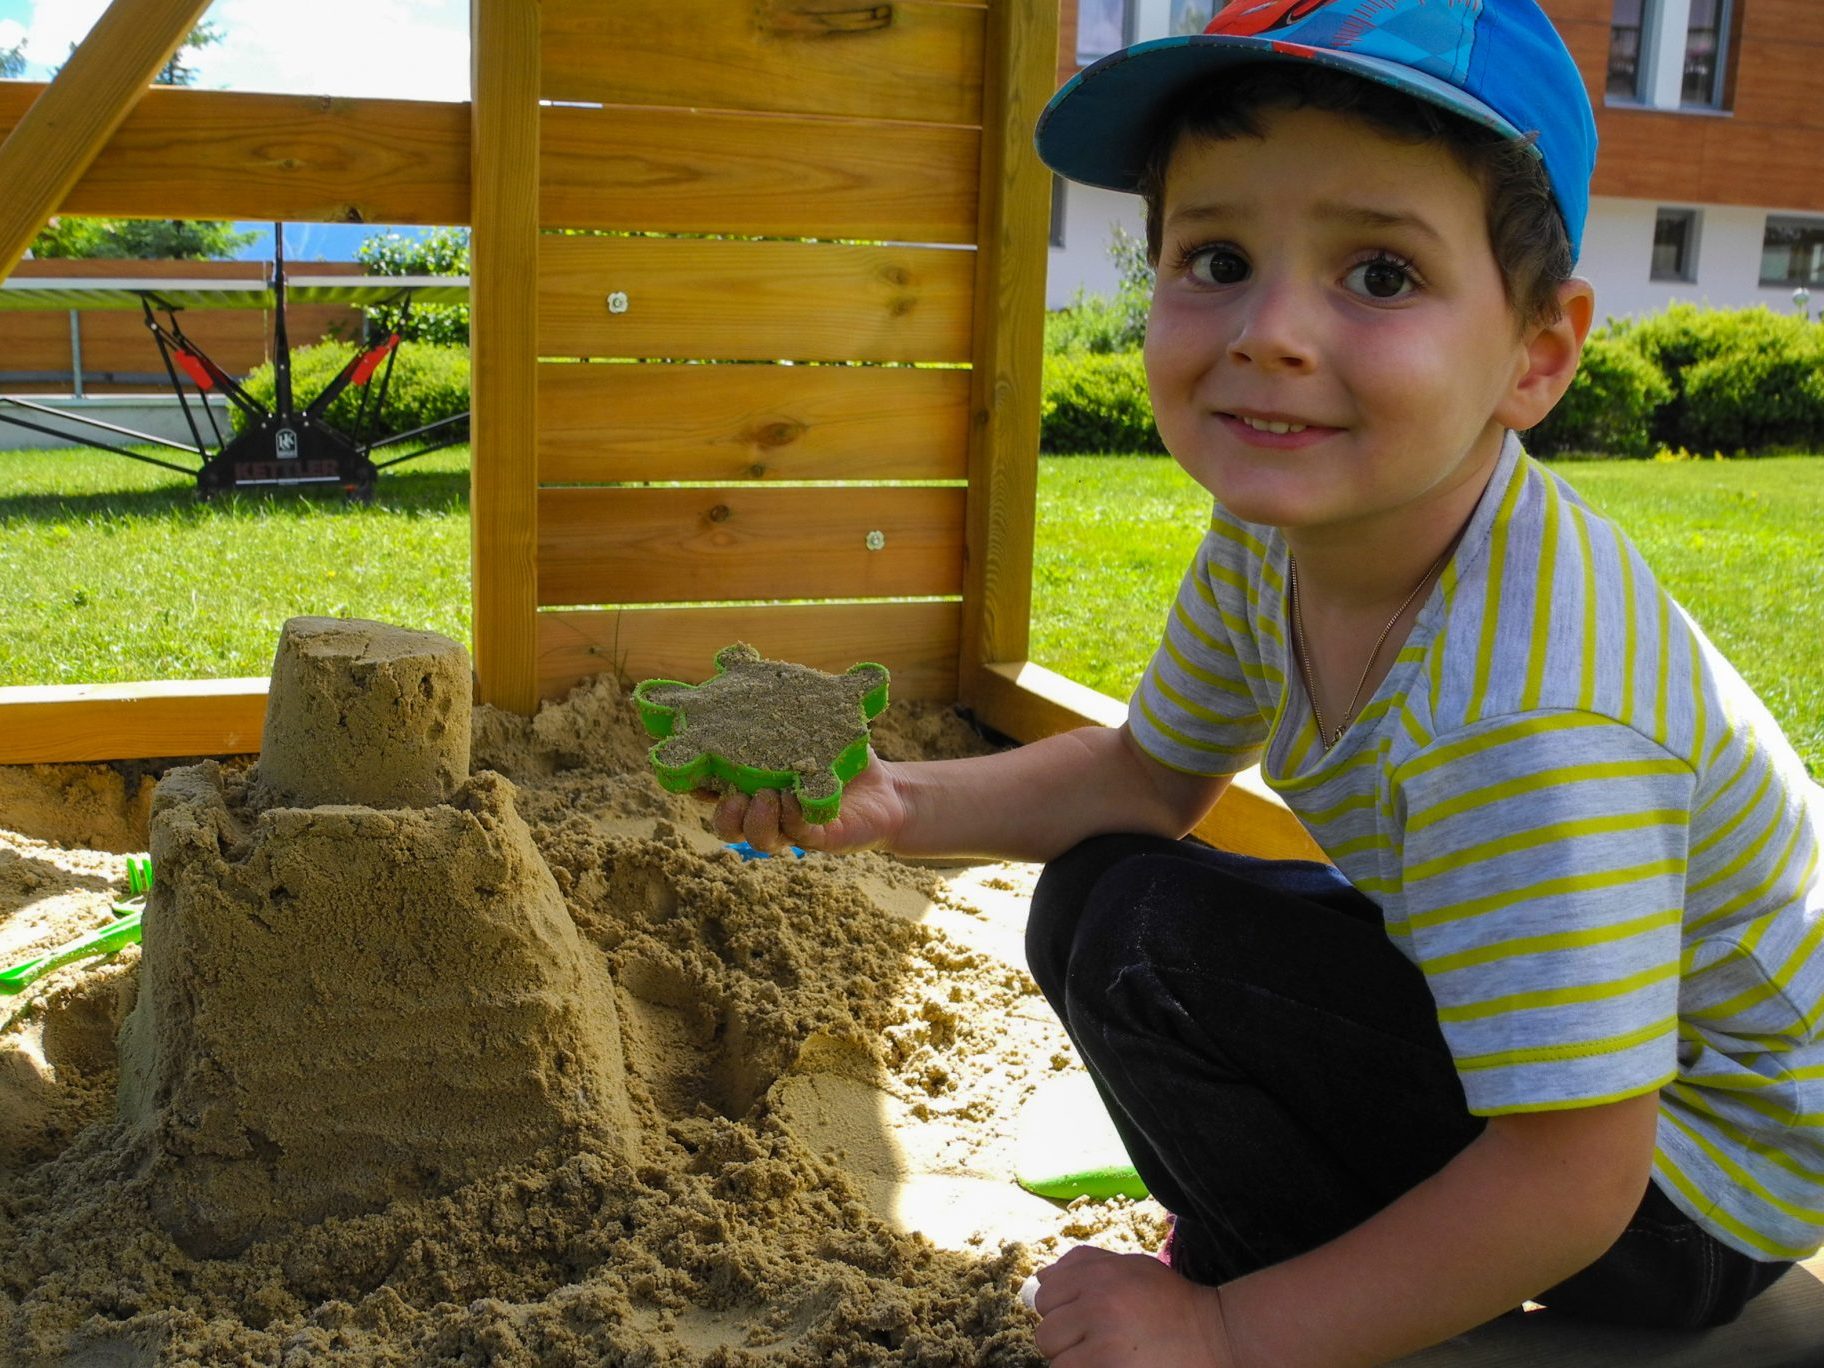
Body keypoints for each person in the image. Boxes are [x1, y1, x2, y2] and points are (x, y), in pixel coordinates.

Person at [703, 0, 1824, 1362]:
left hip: (1696, 1181)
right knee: (1111, 904)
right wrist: (894, 803)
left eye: (1382, 276)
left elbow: (1572, 1178)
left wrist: (1229, 1332)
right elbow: (1144, 777)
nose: (1271, 331)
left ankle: (1289, 1304)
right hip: (1600, 1104)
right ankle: (1299, 1273)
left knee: (1146, 946)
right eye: (1218, 257)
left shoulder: (1536, 715)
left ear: (1538, 350)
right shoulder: (1283, 530)